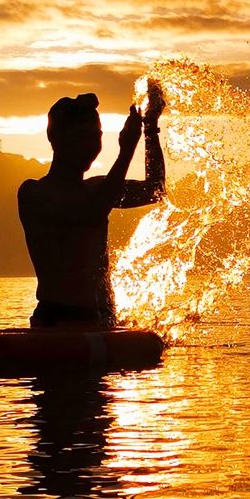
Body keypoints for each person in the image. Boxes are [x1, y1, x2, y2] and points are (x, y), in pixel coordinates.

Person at [18, 80, 165, 328]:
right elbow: (91, 211)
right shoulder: (34, 193)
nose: (92, 146)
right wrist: (126, 150)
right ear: (56, 138)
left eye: (96, 137)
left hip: (102, 319)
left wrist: (150, 128)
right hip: (58, 319)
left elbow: (155, 190)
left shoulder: (98, 188)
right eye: (82, 137)